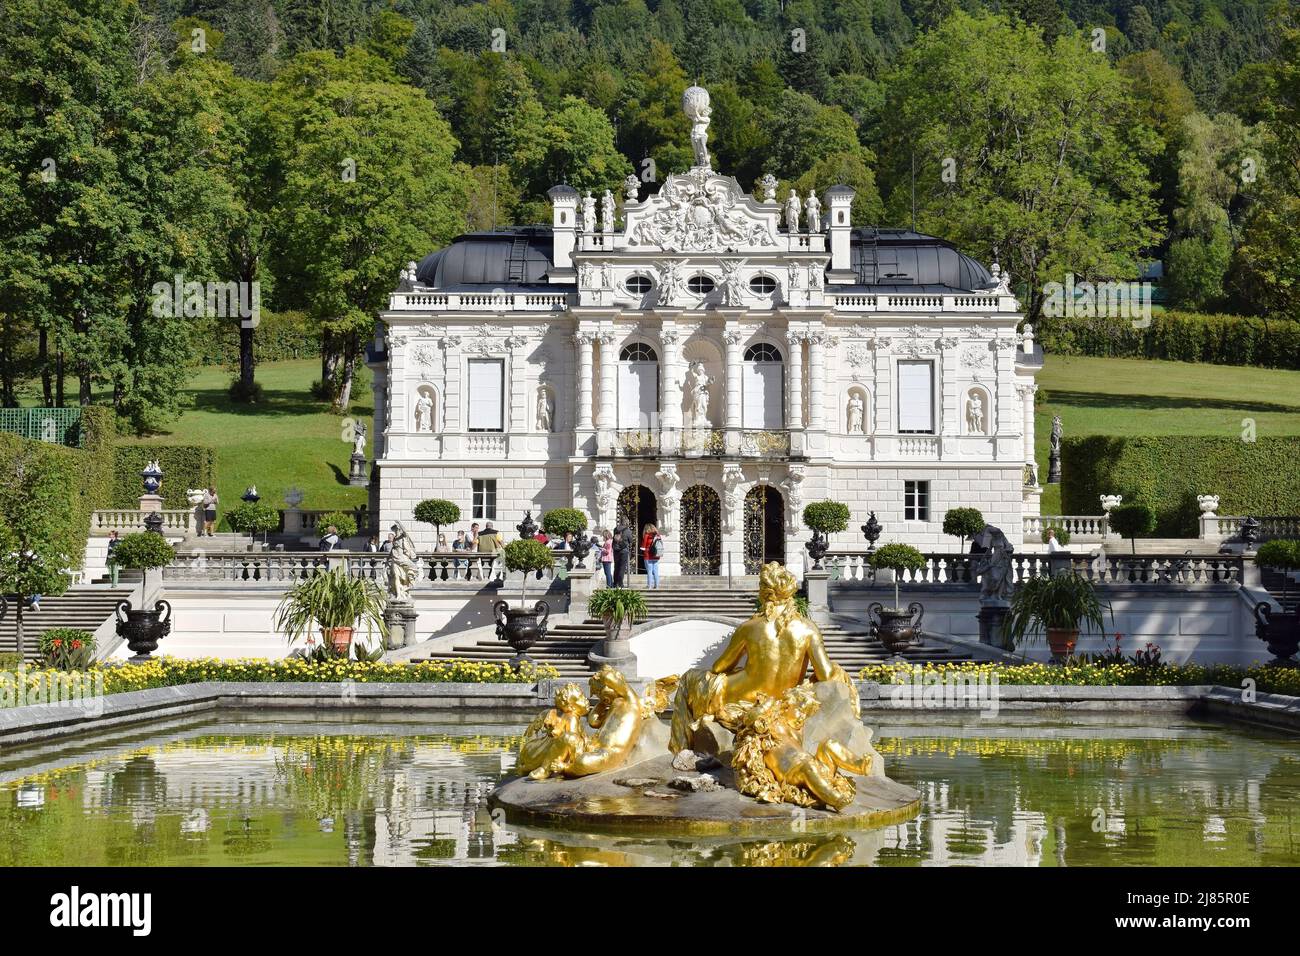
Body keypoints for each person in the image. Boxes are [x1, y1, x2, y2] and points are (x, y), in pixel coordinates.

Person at [642, 523, 664, 589]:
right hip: (656, 555)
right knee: (656, 571)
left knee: (649, 571)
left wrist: (643, 549)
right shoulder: (658, 535)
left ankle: (649, 586)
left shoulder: (647, 535)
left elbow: (643, 546)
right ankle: (656, 586)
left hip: (648, 556)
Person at [612, 520, 630, 587]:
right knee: (622, 567)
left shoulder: (615, 529)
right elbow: (630, 540)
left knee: (616, 566)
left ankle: (615, 583)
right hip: (624, 550)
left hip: (616, 550)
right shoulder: (627, 530)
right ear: (626, 523)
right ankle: (620, 583)